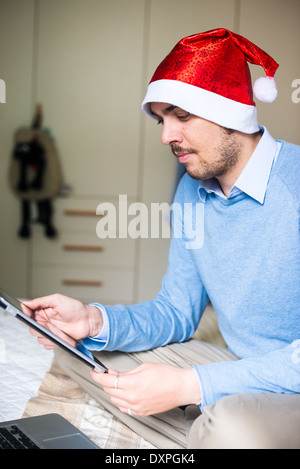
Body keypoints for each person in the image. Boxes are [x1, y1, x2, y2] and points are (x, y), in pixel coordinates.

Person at [24, 28, 300, 449]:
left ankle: (202, 421)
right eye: (161, 119)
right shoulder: (193, 189)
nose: (166, 136)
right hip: (241, 368)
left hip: (290, 380)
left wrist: (192, 385)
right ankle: (197, 422)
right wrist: (94, 321)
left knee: (233, 429)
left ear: (232, 113)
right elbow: (176, 311)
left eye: (181, 116)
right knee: (82, 353)